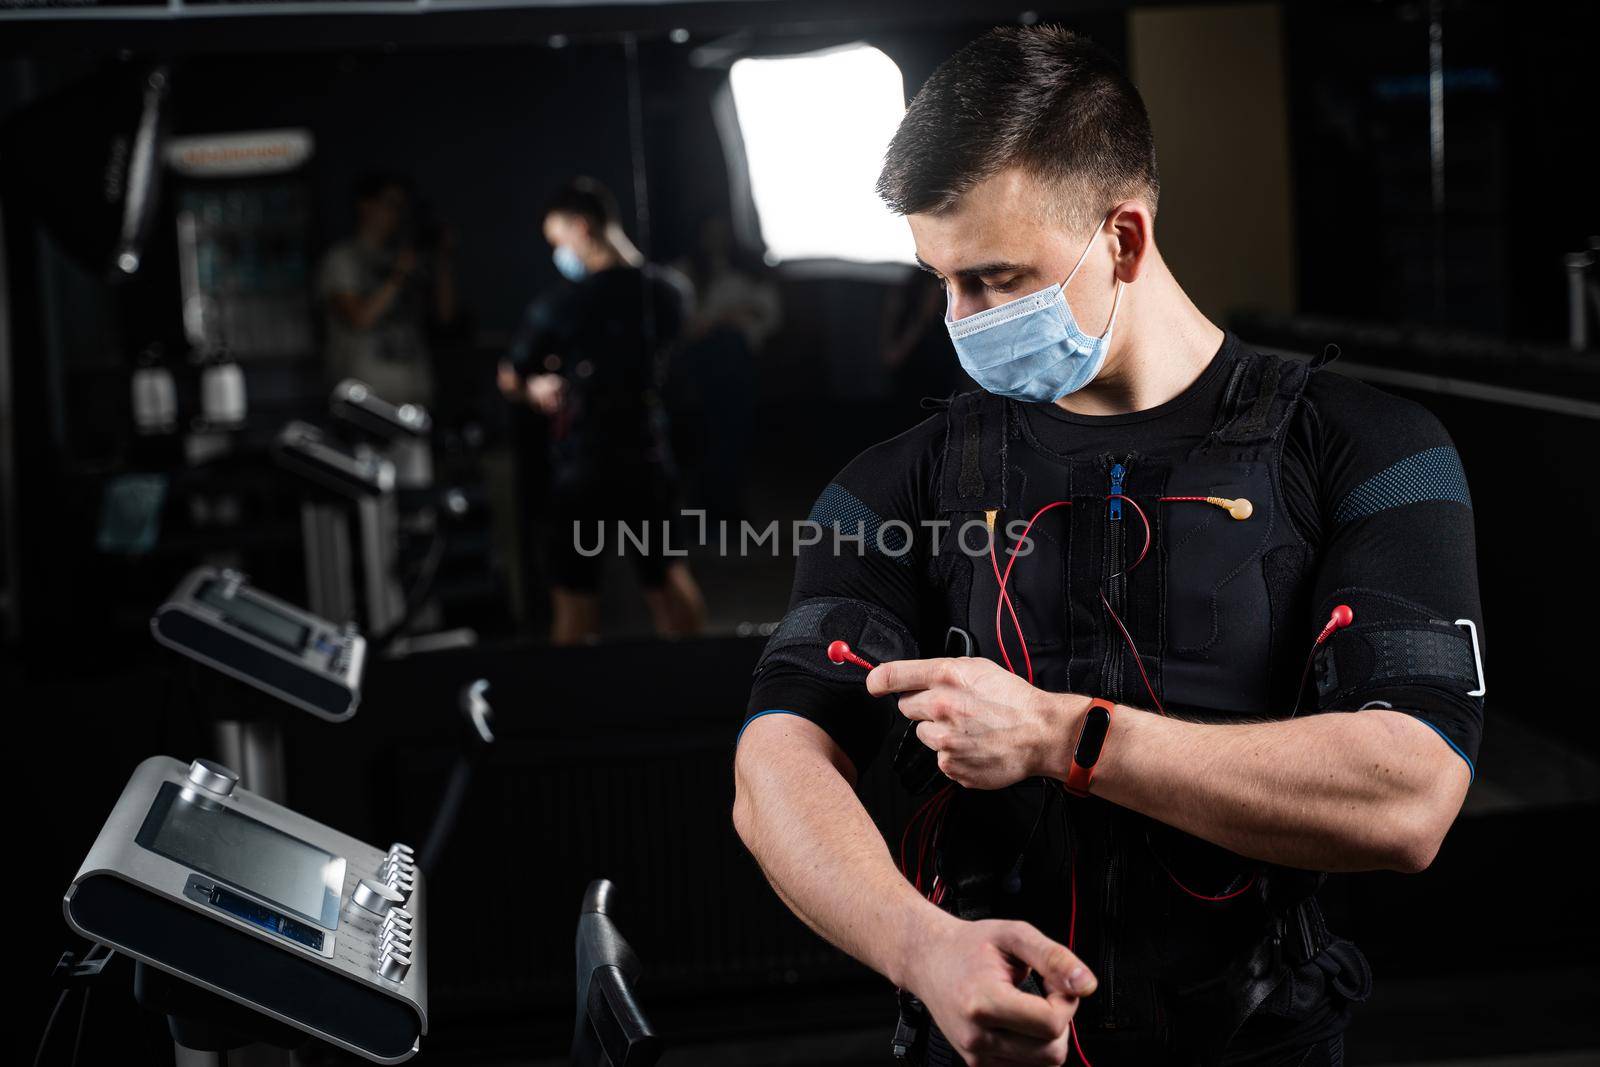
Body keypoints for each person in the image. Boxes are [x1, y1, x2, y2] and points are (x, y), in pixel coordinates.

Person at [733, 26, 1483, 1067]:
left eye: (995, 278)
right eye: (939, 280)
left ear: (1123, 239)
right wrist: (923, 949)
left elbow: (1411, 792)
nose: (959, 319)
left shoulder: (1371, 450)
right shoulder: (894, 480)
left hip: (1256, 1040)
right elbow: (774, 760)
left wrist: (1063, 736)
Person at [500, 177, 706, 644]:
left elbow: (512, 374)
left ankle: (572, 705)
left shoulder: (562, 305)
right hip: (648, 458)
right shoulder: (670, 293)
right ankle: (700, 688)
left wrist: (535, 384)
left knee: (574, 603)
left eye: (558, 240)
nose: (559, 252)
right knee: (668, 585)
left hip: (585, 467)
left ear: (581, 227)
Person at [317, 174, 457, 406]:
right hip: (365, 402)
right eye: (391, 204)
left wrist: (442, 259)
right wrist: (398, 277)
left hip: (413, 397)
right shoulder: (342, 260)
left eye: (402, 207)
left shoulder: (403, 257)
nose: (397, 214)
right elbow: (359, 318)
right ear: (365, 205)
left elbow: (446, 316)